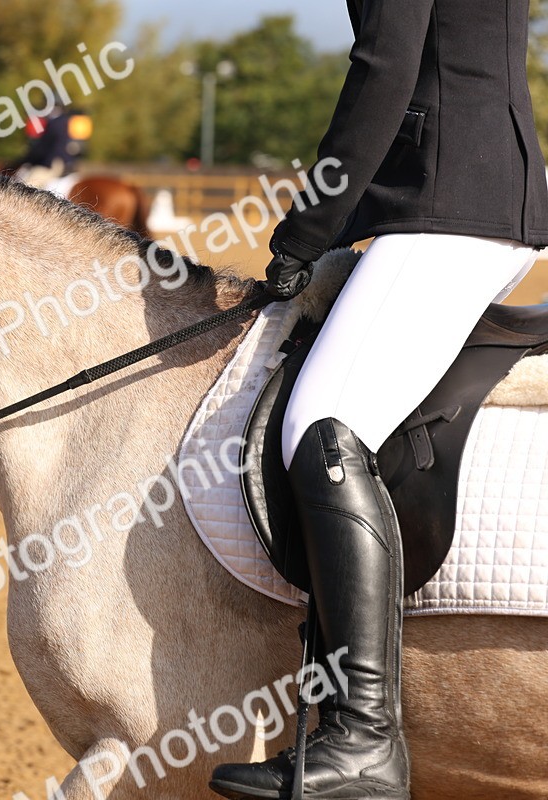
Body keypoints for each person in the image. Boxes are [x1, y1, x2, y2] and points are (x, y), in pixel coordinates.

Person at [210, 2, 548, 799]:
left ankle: (360, 738)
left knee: (325, 427)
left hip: (448, 205)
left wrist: (306, 229)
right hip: (479, 189)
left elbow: (386, 69)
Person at [14, 96, 92, 189]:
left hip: (52, 162)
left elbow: (44, 147)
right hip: (63, 161)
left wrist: (28, 160)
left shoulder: (56, 123)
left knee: (25, 186)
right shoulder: (63, 121)